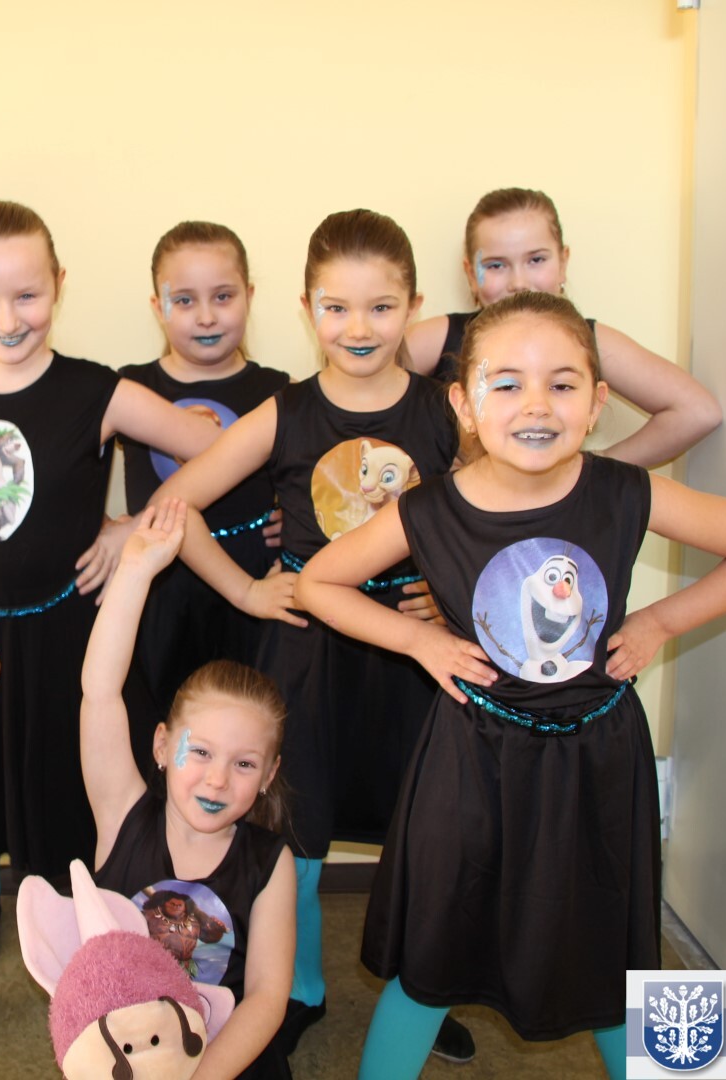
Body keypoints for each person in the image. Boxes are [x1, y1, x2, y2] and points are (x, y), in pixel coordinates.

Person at [295, 292, 726, 1080]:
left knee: (607, 962)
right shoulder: (427, 510)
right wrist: (418, 640)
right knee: (433, 959)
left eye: (562, 384)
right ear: (463, 405)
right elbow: (319, 582)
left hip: (596, 764)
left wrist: (660, 622)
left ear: (596, 404)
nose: (536, 404)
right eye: (507, 384)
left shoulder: (626, 492)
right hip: (470, 762)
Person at [152, 209, 473, 1062]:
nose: (358, 328)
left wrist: (449, 603)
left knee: (427, 829)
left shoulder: (447, 413)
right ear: (305, 309)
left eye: (381, 307)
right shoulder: (284, 412)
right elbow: (175, 504)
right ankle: (295, 987)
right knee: (295, 835)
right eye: (336, 307)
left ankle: (421, 988)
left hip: (412, 661)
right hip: (309, 654)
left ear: (413, 307)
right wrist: (245, 590)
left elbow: (488, 520)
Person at [0, 200, 222, 964]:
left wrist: (133, 526)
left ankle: (85, 955)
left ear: (59, 284)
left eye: (27, 295)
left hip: (68, 638)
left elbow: (216, 449)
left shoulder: (98, 392)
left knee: (66, 804)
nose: (7, 319)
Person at [82, 498, 297, 1079]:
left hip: (225, 1062)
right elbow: (100, 692)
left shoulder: (269, 863)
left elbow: (266, 998)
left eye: (245, 764)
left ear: (269, 776)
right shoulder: (122, 815)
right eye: (199, 752)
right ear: (161, 746)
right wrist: (134, 570)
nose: (217, 778)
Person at [113, 221, 288, 767]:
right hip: (162, 596)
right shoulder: (130, 388)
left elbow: (313, 480)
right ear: (157, 306)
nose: (206, 316)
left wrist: (296, 517)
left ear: (249, 296)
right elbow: (65, 463)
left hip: (252, 588)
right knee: (161, 733)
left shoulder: (279, 390)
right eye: (185, 300)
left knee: (247, 735)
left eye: (223, 296)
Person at [404, 186, 721, 467]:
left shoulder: (589, 341)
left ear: (563, 262)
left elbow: (697, 411)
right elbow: (374, 393)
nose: (519, 282)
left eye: (536, 260)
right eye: (496, 265)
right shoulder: (440, 337)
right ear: (471, 274)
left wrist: (598, 471)